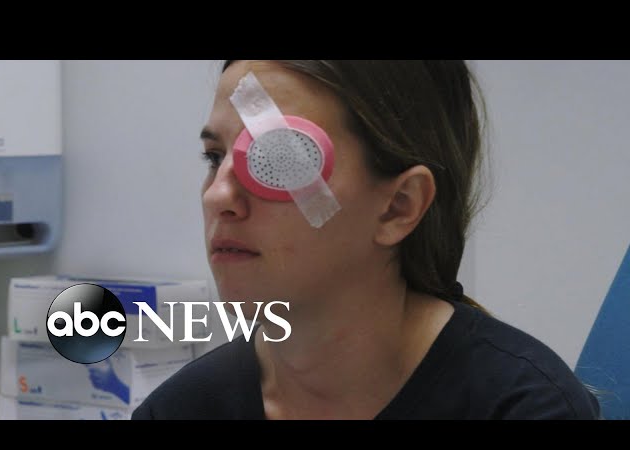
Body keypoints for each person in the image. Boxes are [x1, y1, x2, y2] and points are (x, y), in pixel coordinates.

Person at [131, 60, 601, 420]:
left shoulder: (523, 407)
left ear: (399, 206)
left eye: (277, 160)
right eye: (214, 157)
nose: (217, 196)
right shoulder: (181, 410)